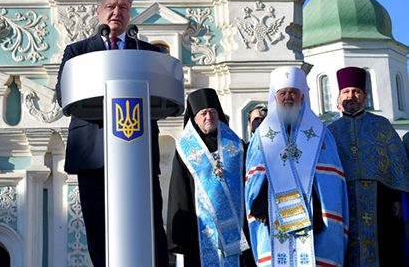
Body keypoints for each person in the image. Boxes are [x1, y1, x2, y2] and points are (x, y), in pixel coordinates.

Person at [55, 0, 168, 266]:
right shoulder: (78, 52)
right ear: (98, 12)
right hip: (93, 154)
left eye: (124, 7)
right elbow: (63, 94)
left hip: (138, 150)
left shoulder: (147, 52)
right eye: (111, 6)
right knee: (99, 229)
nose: (117, 12)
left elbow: (163, 92)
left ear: (130, 13)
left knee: (149, 226)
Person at [245, 66, 348, 267]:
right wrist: (261, 207)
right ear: (275, 97)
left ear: (302, 96)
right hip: (272, 215)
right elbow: (255, 177)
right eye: (282, 93)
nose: (288, 97)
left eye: (293, 92)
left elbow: (331, 180)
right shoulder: (263, 135)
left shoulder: (320, 132)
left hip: (313, 217)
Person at [328, 66, 409, 266]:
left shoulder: (382, 125)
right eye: (346, 92)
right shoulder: (330, 131)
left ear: (365, 96)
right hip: (343, 197)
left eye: (356, 91)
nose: (351, 96)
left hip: (381, 199)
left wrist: (396, 199)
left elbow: (396, 165)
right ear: (339, 97)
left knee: (385, 249)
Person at [167, 88, 254, 266]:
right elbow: (179, 191)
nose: (209, 117)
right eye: (203, 113)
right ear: (195, 118)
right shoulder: (185, 150)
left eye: (212, 112)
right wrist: (179, 235)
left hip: (239, 228)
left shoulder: (236, 145)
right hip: (200, 231)